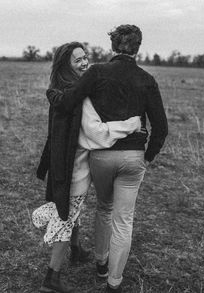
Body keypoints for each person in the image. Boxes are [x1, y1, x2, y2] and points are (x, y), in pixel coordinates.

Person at [47, 25, 168, 293]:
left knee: (104, 207)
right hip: (133, 156)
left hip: (101, 158)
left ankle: (100, 264)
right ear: (138, 47)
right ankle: (114, 281)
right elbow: (162, 127)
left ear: (113, 46)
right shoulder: (147, 79)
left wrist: (55, 95)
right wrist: (147, 156)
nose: (83, 62)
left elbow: (68, 103)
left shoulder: (97, 73)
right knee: (124, 220)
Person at [34, 42, 142, 293]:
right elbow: (97, 134)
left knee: (72, 210)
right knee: (65, 217)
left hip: (65, 166)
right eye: (77, 60)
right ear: (65, 66)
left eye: (85, 57)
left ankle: (76, 249)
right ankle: (52, 277)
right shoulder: (78, 95)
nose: (85, 63)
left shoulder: (62, 89)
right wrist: (130, 124)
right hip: (75, 170)